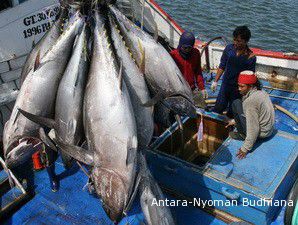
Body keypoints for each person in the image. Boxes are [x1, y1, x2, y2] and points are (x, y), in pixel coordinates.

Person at [225, 71, 275, 159]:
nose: (239, 89)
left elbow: (253, 128)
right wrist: (235, 121)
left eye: (242, 86)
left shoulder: (250, 102)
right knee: (239, 103)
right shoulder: (261, 92)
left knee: (236, 103)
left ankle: (242, 134)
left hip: (262, 133)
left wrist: (245, 149)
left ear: (250, 86)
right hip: (269, 130)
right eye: (238, 85)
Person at [211, 26, 256, 117]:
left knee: (233, 112)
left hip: (238, 89)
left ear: (246, 41)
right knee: (218, 107)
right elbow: (222, 66)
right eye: (234, 40)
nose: (235, 43)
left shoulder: (250, 57)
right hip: (225, 84)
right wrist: (215, 81)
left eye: (239, 41)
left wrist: (248, 92)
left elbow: (250, 76)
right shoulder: (229, 49)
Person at [170, 31, 208, 108]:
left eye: (189, 48)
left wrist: (202, 88)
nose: (187, 50)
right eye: (185, 47)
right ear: (180, 45)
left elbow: (198, 72)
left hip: (191, 88)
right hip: (177, 90)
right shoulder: (172, 55)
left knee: (202, 108)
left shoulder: (196, 53)